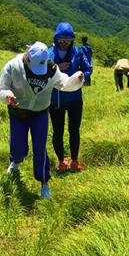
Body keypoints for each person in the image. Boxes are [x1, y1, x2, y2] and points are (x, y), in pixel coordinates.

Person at [0, 41, 84, 199]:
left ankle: (44, 182)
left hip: (40, 113)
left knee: (40, 148)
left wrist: (76, 79)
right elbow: (1, 88)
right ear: (27, 57)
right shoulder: (13, 66)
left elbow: (63, 83)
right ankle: (15, 162)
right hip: (18, 112)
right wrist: (7, 96)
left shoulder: (50, 69)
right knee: (18, 146)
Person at [48, 23, 92, 172]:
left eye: (68, 40)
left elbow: (88, 68)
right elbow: (41, 71)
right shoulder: (48, 54)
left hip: (75, 99)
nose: (64, 43)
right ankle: (61, 162)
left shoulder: (78, 53)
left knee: (74, 130)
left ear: (72, 40)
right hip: (55, 99)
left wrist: (83, 77)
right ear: (56, 38)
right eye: (61, 39)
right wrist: (57, 69)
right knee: (58, 131)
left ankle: (74, 161)